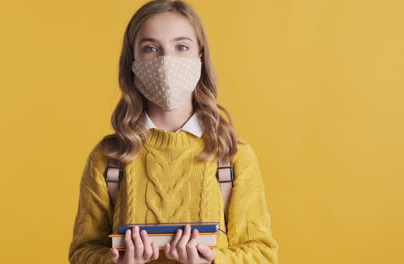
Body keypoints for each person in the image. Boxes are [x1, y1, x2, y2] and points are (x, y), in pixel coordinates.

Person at [68, 0, 279, 263]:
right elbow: (81, 252)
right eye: (150, 48)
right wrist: (114, 262)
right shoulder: (109, 157)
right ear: (132, 62)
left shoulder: (232, 155)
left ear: (199, 58)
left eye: (181, 47)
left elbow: (262, 253)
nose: (167, 61)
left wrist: (212, 262)